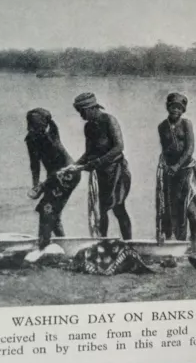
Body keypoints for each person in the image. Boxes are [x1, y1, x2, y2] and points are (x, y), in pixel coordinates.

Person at [62, 92, 132, 240]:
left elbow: (119, 147)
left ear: (92, 108)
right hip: (101, 173)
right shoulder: (88, 127)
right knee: (101, 210)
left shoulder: (109, 120)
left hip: (117, 171)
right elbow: (89, 153)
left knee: (119, 208)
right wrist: (73, 166)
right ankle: (102, 243)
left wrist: (97, 162)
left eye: (82, 111)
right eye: (79, 112)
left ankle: (129, 243)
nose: (81, 115)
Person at [156, 92, 196, 253]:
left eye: (179, 108)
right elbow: (165, 149)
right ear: (168, 107)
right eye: (173, 107)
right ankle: (178, 244)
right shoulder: (162, 126)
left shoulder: (186, 124)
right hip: (169, 173)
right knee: (169, 208)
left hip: (186, 171)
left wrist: (177, 166)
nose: (175, 110)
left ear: (183, 110)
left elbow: (189, 149)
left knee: (190, 208)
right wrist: (164, 165)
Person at [25, 107, 81, 250]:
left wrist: (42, 186)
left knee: (47, 209)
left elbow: (58, 170)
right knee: (52, 212)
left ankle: (43, 245)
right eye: (30, 125)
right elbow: (34, 164)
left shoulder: (50, 137)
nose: (31, 128)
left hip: (67, 175)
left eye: (35, 126)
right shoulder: (31, 139)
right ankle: (64, 246)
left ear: (43, 126)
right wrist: (36, 185)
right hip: (56, 176)